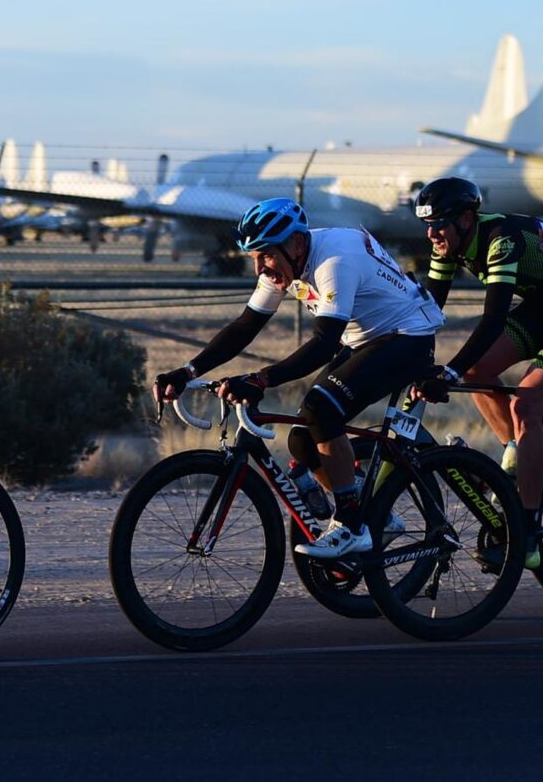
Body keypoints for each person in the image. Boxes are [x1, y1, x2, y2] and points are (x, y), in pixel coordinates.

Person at [152, 197, 445, 558]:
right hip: (365, 338)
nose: (260, 268)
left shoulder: (334, 261)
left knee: (321, 409)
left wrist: (260, 380)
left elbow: (323, 345)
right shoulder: (284, 262)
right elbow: (246, 325)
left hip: (407, 336)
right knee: (303, 442)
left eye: (265, 256)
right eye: (253, 258)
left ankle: (351, 526)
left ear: (295, 243)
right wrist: (188, 371)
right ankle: (374, 515)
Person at [409, 176, 543, 568]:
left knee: (525, 406)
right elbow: (428, 314)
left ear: (466, 219)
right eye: (427, 224)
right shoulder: (447, 245)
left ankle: (526, 531)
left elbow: (492, 320)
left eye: (439, 223)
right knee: (479, 368)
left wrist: (450, 373)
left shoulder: (502, 238)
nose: (432, 233)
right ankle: (519, 455)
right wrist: (410, 362)